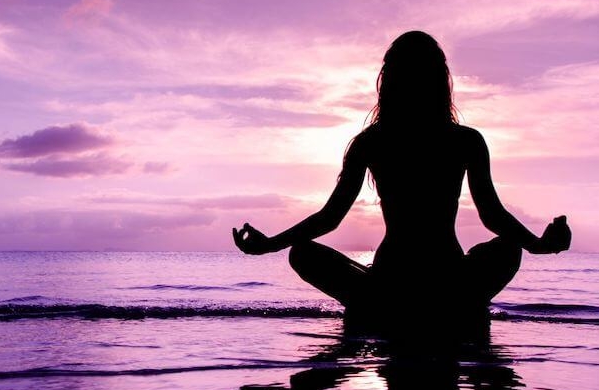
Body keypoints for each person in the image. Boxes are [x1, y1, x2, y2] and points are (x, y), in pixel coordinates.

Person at [231, 30, 571, 343]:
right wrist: (539, 245)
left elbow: (330, 217)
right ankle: (451, 306)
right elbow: (492, 215)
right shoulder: (463, 140)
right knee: (509, 248)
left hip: (388, 283)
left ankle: (375, 303)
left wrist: (273, 244)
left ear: (388, 81)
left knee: (302, 252)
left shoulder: (373, 142)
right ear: (441, 81)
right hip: (448, 280)